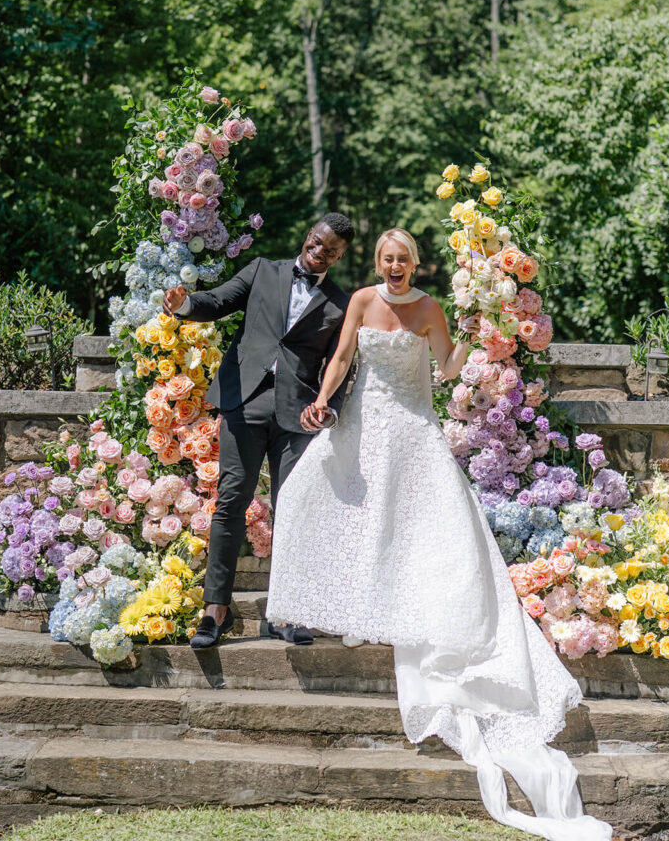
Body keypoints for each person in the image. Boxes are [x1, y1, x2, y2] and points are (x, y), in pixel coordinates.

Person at [267, 228, 613, 841]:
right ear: (378, 264)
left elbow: (448, 364)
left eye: (402, 259)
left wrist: (483, 348)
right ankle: (354, 596)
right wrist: (323, 400)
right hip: (366, 424)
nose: (394, 266)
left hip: (415, 429)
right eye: (386, 259)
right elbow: (344, 357)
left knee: (424, 523)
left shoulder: (430, 308)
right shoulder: (362, 302)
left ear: (415, 264)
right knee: (308, 495)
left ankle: (418, 597)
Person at [163, 213, 354, 648]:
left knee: (292, 510)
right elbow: (215, 301)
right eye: (315, 240)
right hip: (243, 401)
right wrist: (184, 304)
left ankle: (285, 613)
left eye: (329, 249)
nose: (318, 250)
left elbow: (341, 366)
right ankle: (216, 610)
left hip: (297, 415)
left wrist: (328, 411)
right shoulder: (263, 270)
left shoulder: (342, 305)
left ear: (339, 257)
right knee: (232, 498)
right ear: (308, 236)